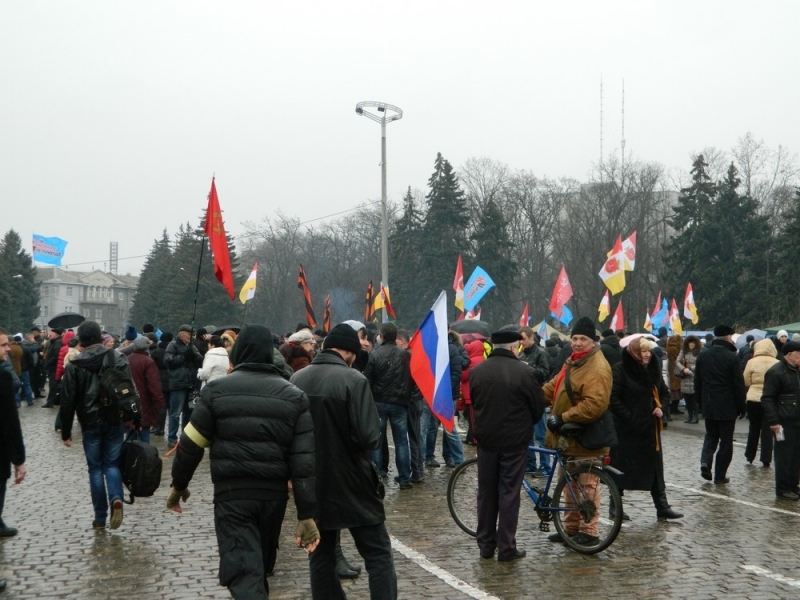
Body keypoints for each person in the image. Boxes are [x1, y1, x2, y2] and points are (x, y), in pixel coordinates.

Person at [168, 324, 318, 599]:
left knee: (244, 573)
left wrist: (179, 485)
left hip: (232, 495)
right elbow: (304, 461)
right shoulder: (295, 396)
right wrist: (306, 514)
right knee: (260, 567)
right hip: (273, 498)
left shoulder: (215, 391)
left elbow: (191, 444)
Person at [291, 323, 398, 599]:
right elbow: (369, 437)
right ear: (349, 352)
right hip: (353, 479)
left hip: (314, 481)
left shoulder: (297, 380)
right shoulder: (354, 380)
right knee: (378, 554)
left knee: (320, 555)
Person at [470, 329, 544, 561]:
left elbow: (475, 402)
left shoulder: (478, 371)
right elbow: (537, 407)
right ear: (514, 347)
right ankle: (506, 546)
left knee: (486, 493)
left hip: (487, 440)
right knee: (509, 493)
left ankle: (485, 545)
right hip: (514, 441)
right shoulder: (525, 372)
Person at [542, 316, 612, 546]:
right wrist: (531, 396)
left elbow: (594, 404)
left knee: (588, 486)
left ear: (593, 341)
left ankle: (589, 531)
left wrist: (562, 417)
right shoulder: (573, 361)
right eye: (575, 338)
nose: (578, 342)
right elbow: (555, 386)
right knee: (569, 485)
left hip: (586, 436)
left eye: (583, 339)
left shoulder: (597, 366)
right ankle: (571, 528)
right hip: (568, 437)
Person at [60, 321, 132, 529]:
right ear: (100, 337)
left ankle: (100, 517)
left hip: (89, 422)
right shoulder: (118, 357)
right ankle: (116, 497)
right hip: (114, 419)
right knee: (112, 464)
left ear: (81, 340)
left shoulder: (74, 364)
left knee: (95, 469)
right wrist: (135, 418)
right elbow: (129, 390)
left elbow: (67, 401)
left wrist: (66, 431)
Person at [610, 337, 683, 521]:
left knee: (656, 469)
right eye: (643, 351)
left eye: (649, 351)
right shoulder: (619, 370)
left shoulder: (653, 369)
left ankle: (662, 506)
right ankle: (615, 505)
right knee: (622, 469)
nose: (647, 355)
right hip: (627, 430)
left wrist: (662, 407)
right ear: (634, 352)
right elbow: (613, 399)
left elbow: (664, 392)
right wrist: (630, 418)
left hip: (650, 430)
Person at [363, 323, 413, 488]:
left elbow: (368, 380)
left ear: (382, 336)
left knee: (377, 440)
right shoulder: (405, 355)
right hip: (399, 403)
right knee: (401, 442)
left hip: (379, 402)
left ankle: (377, 477)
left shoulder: (375, 355)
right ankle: (405, 478)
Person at [696, 324, 747, 484]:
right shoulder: (732, 357)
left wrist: (700, 402)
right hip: (727, 405)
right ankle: (719, 475)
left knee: (711, 435)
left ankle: (705, 461)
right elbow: (738, 385)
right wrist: (741, 406)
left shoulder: (703, 355)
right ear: (728, 338)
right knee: (725, 441)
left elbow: (698, 382)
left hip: (709, 403)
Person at [761, 340, 800, 500]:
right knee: (784, 456)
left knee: (795, 456)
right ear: (790, 355)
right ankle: (783, 488)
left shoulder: (796, 371)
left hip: (797, 418)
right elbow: (767, 398)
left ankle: (793, 485)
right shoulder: (776, 372)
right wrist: (773, 421)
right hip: (783, 420)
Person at [163, 324, 203, 449]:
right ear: (182, 334)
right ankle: (172, 438)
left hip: (191, 384)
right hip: (178, 383)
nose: (191, 337)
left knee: (189, 413)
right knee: (175, 413)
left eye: (193, 335)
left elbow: (201, 361)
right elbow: (168, 361)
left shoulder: (193, 347)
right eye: (189, 335)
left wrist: (195, 355)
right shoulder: (173, 345)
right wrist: (183, 356)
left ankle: (185, 437)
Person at [742, 339, 779, 468]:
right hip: (771, 400)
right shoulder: (777, 363)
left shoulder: (751, 361)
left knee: (754, 427)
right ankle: (766, 458)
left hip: (753, 398)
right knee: (768, 430)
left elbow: (746, 380)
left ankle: (750, 455)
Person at [127, 336, 164, 444]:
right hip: (144, 402)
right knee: (144, 436)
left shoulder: (126, 359)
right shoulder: (148, 362)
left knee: (129, 434)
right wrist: (160, 403)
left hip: (128, 401)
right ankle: (143, 459)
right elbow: (154, 385)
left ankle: (128, 457)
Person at [675, 335, 702, 424]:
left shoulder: (699, 352)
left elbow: (700, 362)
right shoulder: (684, 351)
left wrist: (690, 368)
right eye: (690, 343)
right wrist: (683, 369)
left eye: (693, 343)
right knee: (687, 398)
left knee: (694, 399)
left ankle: (695, 416)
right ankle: (690, 416)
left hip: (694, 376)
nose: (691, 345)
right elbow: (677, 361)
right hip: (685, 377)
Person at [42, 327, 64, 407]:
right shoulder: (54, 342)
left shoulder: (57, 343)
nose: (49, 334)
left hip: (54, 368)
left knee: (54, 385)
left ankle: (51, 402)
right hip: (53, 367)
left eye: (50, 332)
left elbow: (55, 356)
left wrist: (48, 363)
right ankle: (53, 401)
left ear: (56, 333)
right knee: (53, 384)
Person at [666, 334, 684, 418]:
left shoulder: (668, 348)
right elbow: (680, 358)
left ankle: (674, 408)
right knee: (676, 390)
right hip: (675, 371)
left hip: (671, 371)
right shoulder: (674, 349)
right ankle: (674, 408)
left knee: (673, 390)